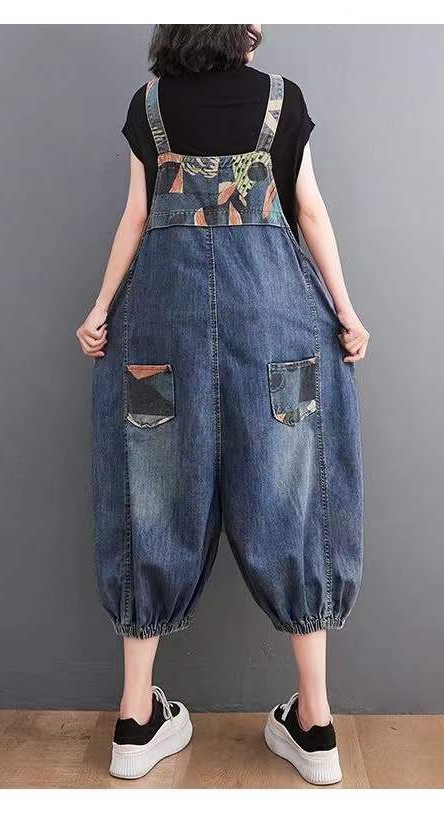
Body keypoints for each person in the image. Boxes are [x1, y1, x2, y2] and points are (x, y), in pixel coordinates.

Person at [76, 24, 369, 786]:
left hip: (158, 339)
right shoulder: (282, 101)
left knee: (153, 494)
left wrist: (100, 309)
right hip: (281, 344)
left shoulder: (150, 107)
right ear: (239, 26)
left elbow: (136, 217)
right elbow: (310, 213)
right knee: (293, 497)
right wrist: (346, 312)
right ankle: (316, 724)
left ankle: (135, 720)